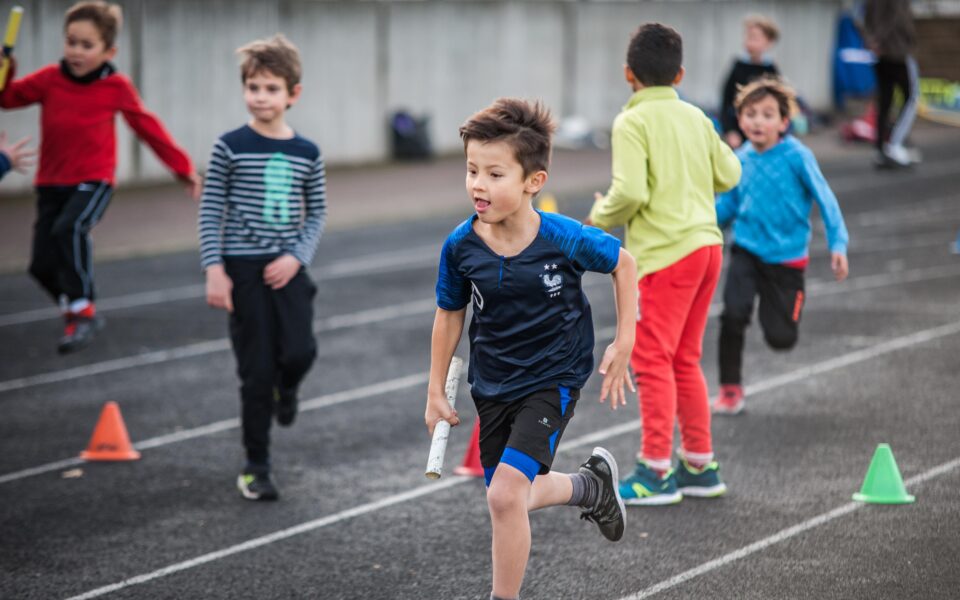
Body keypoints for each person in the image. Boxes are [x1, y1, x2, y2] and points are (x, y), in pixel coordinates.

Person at [426, 98, 637, 600]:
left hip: (553, 378)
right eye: (472, 170)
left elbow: (624, 265)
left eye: (494, 173)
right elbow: (450, 313)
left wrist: (624, 340)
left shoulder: (562, 238)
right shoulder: (460, 246)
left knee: (503, 495)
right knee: (510, 497)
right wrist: (435, 389)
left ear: (532, 182)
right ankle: (589, 487)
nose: (478, 184)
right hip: (492, 383)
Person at [589, 23, 741, 506]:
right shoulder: (696, 117)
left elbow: (630, 191)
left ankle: (656, 470)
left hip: (666, 256)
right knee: (685, 358)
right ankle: (698, 463)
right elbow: (731, 172)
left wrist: (599, 216)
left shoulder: (631, 122)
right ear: (679, 74)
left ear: (628, 74)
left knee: (653, 359)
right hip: (707, 248)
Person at [0, 1, 200, 353]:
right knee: (40, 266)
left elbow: (147, 127)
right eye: (71, 42)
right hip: (51, 182)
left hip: (94, 180)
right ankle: (74, 308)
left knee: (69, 228)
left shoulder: (116, 86)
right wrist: (6, 68)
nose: (76, 51)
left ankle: (84, 309)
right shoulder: (49, 79)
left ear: (109, 51)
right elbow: (7, 98)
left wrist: (181, 168)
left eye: (86, 45)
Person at [199, 34, 326, 502]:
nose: (261, 96)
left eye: (271, 88)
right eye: (253, 86)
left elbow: (316, 213)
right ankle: (256, 466)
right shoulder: (229, 146)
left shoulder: (307, 152)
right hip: (243, 270)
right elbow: (211, 209)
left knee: (298, 353)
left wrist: (296, 256)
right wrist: (215, 268)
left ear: (293, 93)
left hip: (289, 269)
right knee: (254, 371)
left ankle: (286, 390)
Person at [713, 77, 849, 414]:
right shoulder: (738, 159)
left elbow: (825, 199)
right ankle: (730, 389)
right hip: (745, 249)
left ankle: (779, 311)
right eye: (751, 114)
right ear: (740, 119)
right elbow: (727, 206)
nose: (758, 121)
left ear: (784, 122)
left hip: (786, 259)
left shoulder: (797, 156)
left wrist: (838, 244)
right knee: (732, 315)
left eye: (768, 114)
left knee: (781, 338)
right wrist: (698, 226)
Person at [863, 0, 920, 168]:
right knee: (911, 97)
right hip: (896, 50)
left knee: (885, 100)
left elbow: (863, 18)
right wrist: (879, 41)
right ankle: (894, 144)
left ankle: (880, 147)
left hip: (880, 54)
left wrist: (870, 40)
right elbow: (898, 18)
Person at [720, 14, 781, 149]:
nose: (749, 41)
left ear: (769, 42)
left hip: (764, 135)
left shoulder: (771, 70)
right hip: (739, 133)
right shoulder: (738, 67)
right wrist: (730, 131)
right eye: (748, 37)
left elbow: (780, 106)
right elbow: (725, 102)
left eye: (755, 38)